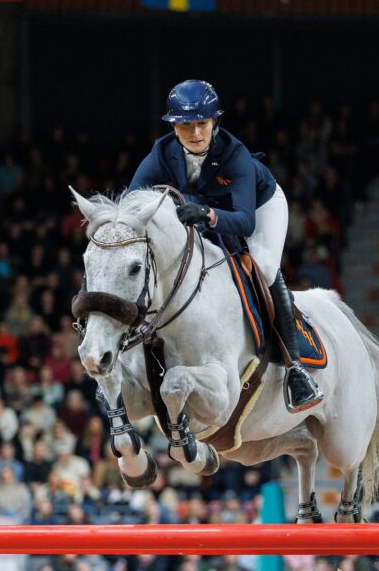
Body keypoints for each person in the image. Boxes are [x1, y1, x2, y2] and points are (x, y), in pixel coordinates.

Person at [127, 79, 323, 413]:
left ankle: (296, 369)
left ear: (214, 122)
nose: (195, 133)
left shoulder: (235, 155)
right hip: (203, 209)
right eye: (185, 125)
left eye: (202, 123)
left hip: (258, 207)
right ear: (174, 126)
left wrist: (208, 213)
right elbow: (131, 204)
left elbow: (244, 220)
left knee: (262, 266)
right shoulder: (161, 154)